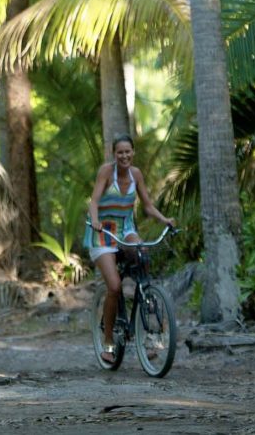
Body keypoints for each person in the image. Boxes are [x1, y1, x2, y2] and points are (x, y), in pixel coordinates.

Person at [84, 134, 174, 363]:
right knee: (114, 286)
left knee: (142, 256)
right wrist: (95, 220)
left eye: (128, 151)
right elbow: (94, 201)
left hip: (125, 230)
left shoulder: (136, 175)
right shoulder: (106, 171)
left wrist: (165, 220)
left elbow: (147, 205)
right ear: (114, 155)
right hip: (102, 232)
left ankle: (146, 321)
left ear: (133, 152)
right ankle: (108, 342)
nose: (124, 155)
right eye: (120, 152)